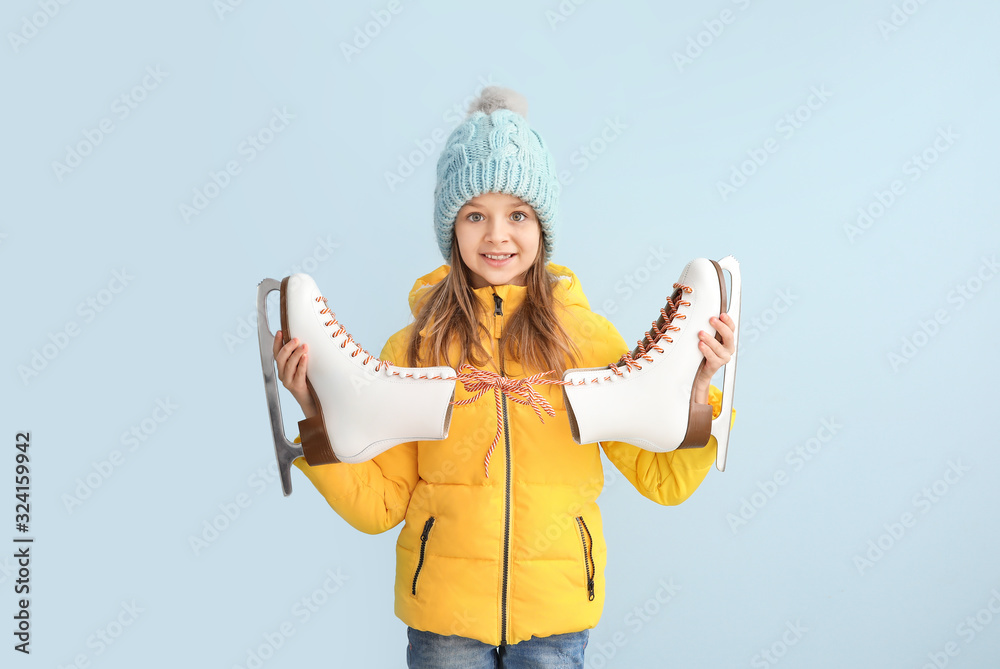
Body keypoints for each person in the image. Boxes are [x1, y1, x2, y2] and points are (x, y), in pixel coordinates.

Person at [271, 86, 736, 669]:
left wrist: (697, 391)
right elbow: (380, 505)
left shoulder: (586, 342)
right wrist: (319, 418)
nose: (497, 235)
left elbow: (661, 479)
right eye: (475, 215)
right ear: (452, 229)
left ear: (542, 227)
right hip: (444, 623)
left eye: (518, 214)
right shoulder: (417, 347)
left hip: (555, 618)